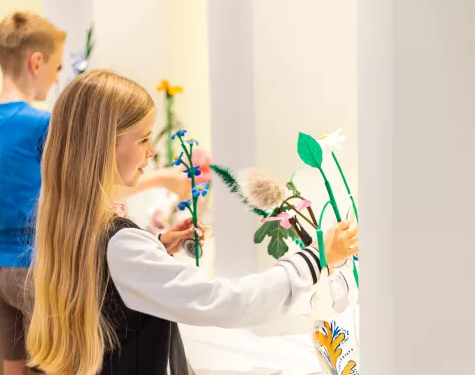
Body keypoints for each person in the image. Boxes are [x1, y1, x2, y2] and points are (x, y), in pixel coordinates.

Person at [26, 70, 359, 375]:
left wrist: (155, 250)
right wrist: (316, 258)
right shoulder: (121, 244)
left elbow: (113, 287)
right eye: (142, 140)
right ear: (103, 147)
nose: (151, 154)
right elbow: (225, 302)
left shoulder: (73, 227)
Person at [0, 11, 191, 375]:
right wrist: (163, 177)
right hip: (35, 266)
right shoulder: (41, 123)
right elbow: (88, 181)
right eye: (56, 69)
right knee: (58, 362)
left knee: (14, 365)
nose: (57, 79)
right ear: (35, 62)